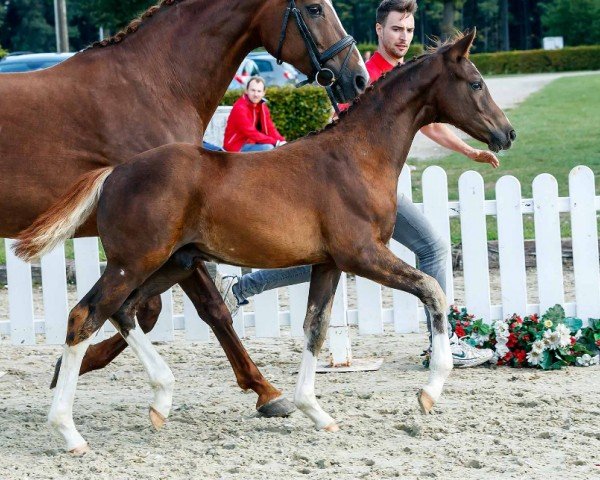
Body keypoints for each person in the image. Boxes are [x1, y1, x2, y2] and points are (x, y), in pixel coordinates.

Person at [216, 0, 497, 368]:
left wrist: (467, 150)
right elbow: (347, 121)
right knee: (431, 248)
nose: (403, 37)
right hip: (361, 188)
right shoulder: (369, 72)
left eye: (409, 30)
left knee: (328, 253)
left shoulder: (405, 72)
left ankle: (241, 289)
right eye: (397, 29)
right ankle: (445, 343)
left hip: (377, 184)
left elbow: (428, 122)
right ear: (379, 30)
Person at [223, 76, 286, 152]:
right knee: (268, 148)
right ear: (246, 91)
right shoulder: (240, 107)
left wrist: (283, 142)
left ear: (263, 93)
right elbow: (250, 132)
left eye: (259, 91)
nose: (256, 94)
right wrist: (276, 142)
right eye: (253, 90)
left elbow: (270, 128)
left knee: (278, 148)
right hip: (236, 146)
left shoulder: (262, 106)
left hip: (252, 143)